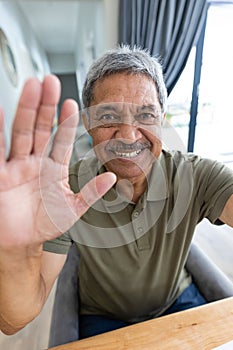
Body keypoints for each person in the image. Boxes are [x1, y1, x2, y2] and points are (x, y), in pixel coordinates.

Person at [0, 46, 233, 339]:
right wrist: (11, 252)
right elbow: (14, 321)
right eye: (109, 117)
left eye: (146, 115)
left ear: (161, 118)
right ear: (88, 123)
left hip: (178, 303)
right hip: (104, 318)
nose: (128, 136)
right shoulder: (64, 191)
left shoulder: (195, 174)